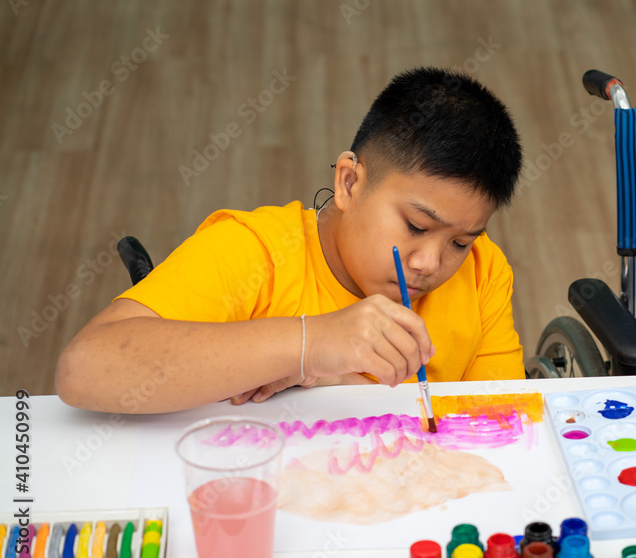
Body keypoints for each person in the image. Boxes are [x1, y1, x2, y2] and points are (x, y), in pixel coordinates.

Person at [57, 67, 525, 413]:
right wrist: (310, 342)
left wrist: (343, 386)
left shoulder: (483, 271)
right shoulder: (253, 252)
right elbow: (83, 370)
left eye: (460, 242)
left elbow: (506, 421)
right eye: (417, 228)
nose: (430, 262)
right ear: (348, 183)